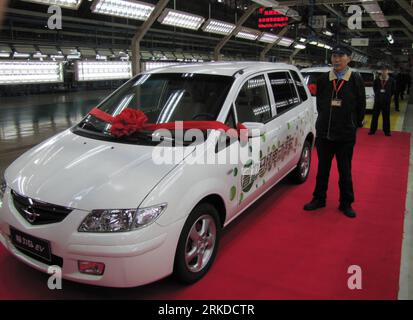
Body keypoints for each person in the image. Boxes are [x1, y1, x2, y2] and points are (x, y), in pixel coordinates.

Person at [304, 45, 366, 218]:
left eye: (341, 56)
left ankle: (346, 203)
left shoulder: (355, 79)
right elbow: (320, 104)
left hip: (345, 135)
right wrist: (322, 122)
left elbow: (361, 105)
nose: (336, 59)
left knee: (345, 171)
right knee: (322, 170)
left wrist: (355, 123)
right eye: (334, 56)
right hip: (325, 134)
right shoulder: (324, 79)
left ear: (349, 58)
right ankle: (319, 199)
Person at [369, 65, 395, 137]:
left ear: (388, 71)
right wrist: (378, 95)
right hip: (377, 101)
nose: (384, 72)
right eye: (382, 70)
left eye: (385, 70)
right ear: (380, 71)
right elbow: (374, 88)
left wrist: (388, 96)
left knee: (386, 117)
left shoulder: (391, 80)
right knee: (375, 116)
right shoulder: (377, 80)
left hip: (386, 101)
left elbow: (393, 90)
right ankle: (372, 130)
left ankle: (387, 131)